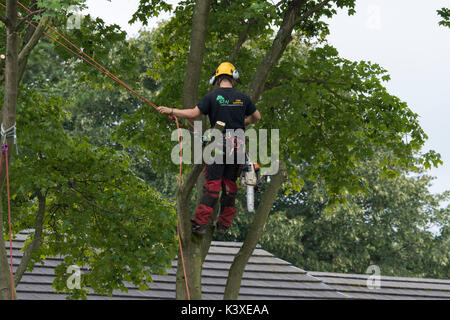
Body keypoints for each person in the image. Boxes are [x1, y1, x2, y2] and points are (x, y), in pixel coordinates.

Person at [157, 62, 261, 236]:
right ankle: (223, 225)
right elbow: (256, 117)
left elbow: (192, 114)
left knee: (213, 186)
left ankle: (199, 224)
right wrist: (245, 122)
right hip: (237, 148)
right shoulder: (243, 97)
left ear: (217, 79)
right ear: (233, 78)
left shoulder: (211, 97)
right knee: (229, 186)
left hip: (218, 146)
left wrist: (172, 110)